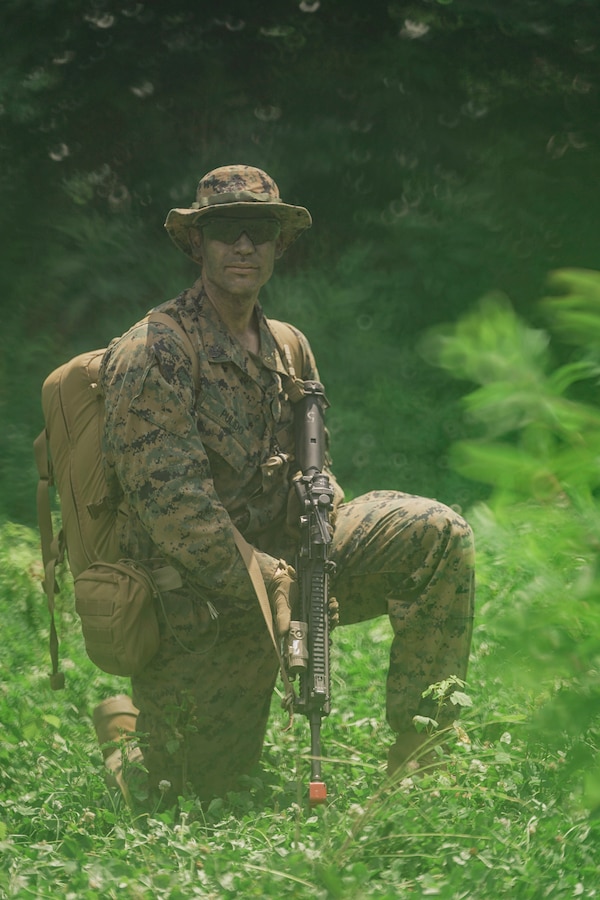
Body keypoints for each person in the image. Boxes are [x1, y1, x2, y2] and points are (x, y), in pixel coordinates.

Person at [95, 164, 475, 804]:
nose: (244, 246)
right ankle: (123, 734)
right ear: (199, 244)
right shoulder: (155, 350)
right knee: (189, 790)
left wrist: (321, 523)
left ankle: (422, 755)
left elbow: (313, 461)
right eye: (226, 231)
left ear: (279, 244)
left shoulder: (288, 346)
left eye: (260, 231)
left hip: (292, 562)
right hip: (205, 599)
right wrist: (271, 580)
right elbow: (175, 512)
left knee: (437, 534)